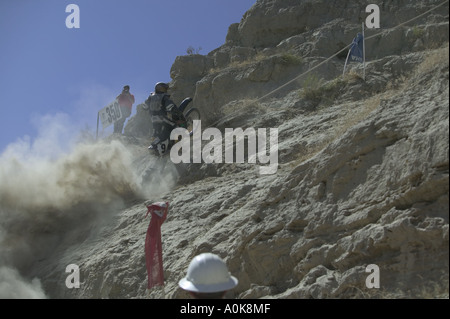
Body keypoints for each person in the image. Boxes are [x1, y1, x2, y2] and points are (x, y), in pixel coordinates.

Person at [143, 82, 184, 149]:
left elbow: (144, 107)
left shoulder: (150, 96)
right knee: (175, 126)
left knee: (157, 131)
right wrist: (177, 112)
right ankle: (177, 146)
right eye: (162, 88)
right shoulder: (164, 96)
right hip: (162, 118)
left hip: (153, 119)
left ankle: (158, 143)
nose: (162, 90)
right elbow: (170, 107)